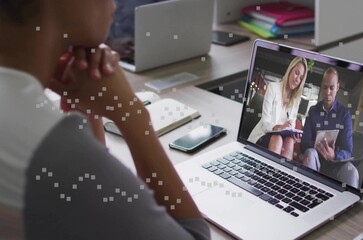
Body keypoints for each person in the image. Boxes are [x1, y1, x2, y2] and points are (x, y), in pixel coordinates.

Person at [0, 1, 209, 239]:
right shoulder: (51, 149)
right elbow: (194, 235)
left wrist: (86, 111)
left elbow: (92, 215)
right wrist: (132, 115)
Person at [300, 67, 359, 187]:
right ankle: (306, 195)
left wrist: (334, 155)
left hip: (335, 164)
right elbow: (304, 143)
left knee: (352, 171)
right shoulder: (313, 111)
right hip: (315, 158)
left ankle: (348, 205)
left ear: (337, 87)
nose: (327, 93)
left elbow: (348, 150)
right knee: (310, 153)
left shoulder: (345, 115)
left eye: (331, 88)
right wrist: (317, 146)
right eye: (325, 87)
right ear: (321, 86)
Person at [248, 57, 308, 160]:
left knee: (289, 142)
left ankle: (280, 175)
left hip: (281, 137)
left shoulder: (296, 100)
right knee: (277, 139)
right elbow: (265, 124)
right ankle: (269, 174)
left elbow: (291, 125)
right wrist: (279, 127)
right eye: (296, 73)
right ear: (290, 70)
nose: (298, 79)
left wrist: (293, 134)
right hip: (262, 134)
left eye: (301, 77)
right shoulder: (273, 88)